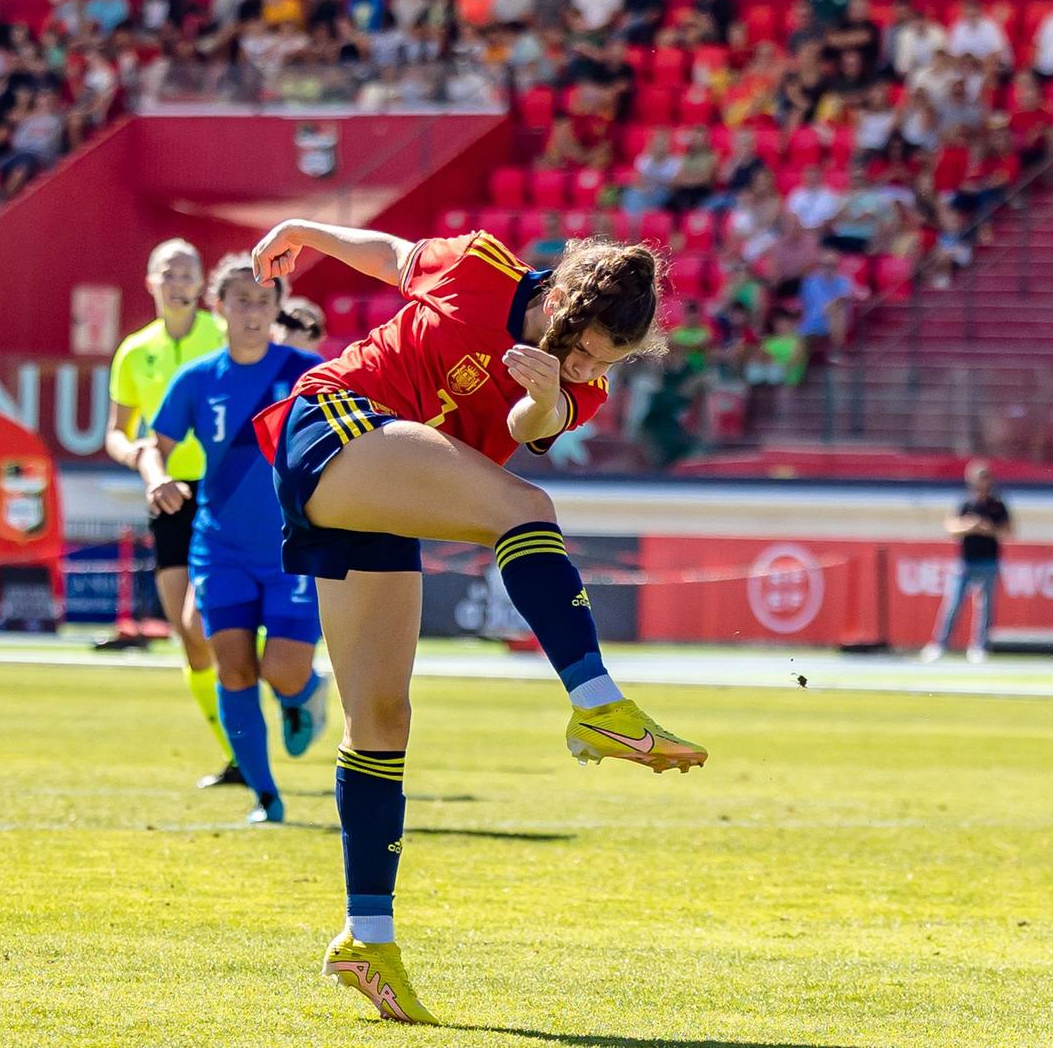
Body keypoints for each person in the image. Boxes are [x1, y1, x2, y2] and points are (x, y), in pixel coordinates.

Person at [245, 222, 707, 1024]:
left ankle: (368, 939)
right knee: (524, 509)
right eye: (589, 349)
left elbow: (532, 428)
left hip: (380, 492)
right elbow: (392, 257)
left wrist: (543, 392)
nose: (594, 371)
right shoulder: (480, 265)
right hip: (334, 424)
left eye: (608, 363)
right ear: (560, 301)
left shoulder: (576, 390)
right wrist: (304, 233)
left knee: (382, 717)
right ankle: (597, 701)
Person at [142, 257, 327, 825]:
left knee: (283, 673)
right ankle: (265, 797)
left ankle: (305, 698)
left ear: (278, 311)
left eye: (263, 302)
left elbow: (354, 438)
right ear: (218, 308)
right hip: (219, 549)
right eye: (240, 301)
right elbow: (156, 444)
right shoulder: (197, 379)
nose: (252, 313)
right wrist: (157, 478)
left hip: (292, 547)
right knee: (235, 670)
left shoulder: (308, 371)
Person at [104, 238, 239, 789]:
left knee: (206, 621)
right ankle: (237, 754)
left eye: (189, 273)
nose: (179, 282)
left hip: (225, 490)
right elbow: (116, 430)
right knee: (188, 637)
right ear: (150, 282)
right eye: (169, 272)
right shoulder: (136, 351)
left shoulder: (225, 337)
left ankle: (280, 683)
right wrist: (140, 457)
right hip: (166, 494)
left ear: (203, 284)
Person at [922, 461, 1012, 663]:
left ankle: (979, 647)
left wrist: (987, 529)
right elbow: (951, 527)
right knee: (953, 604)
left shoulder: (997, 504)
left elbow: (1007, 530)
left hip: (989, 560)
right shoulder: (965, 503)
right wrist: (970, 527)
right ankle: (939, 644)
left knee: (985, 607)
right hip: (965, 561)